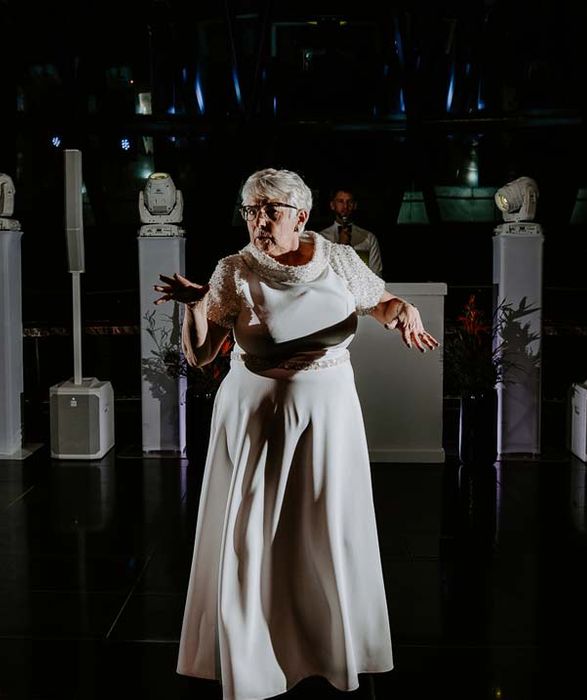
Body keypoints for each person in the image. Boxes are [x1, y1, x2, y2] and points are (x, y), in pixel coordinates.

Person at [153, 168, 438, 700]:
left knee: (326, 527)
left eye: (269, 210)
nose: (258, 221)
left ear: (300, 216)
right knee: (257, 534)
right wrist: (195, 306)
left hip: (330, 415)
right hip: (260, 416)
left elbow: (383, 304)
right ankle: (255, 651)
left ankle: (330, 646)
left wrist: (404, 312)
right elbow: (200, 356)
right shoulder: (233, 270)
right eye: (250, 210)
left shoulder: (340, 259)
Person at [318, 188, 383, 277]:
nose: (345, 206)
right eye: (340, 201)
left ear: (355, 205)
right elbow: (320, 274)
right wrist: (340, 246)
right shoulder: (321, 238)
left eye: (350, 202)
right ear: (332, 205)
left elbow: (376, 274)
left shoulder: (369, 238)